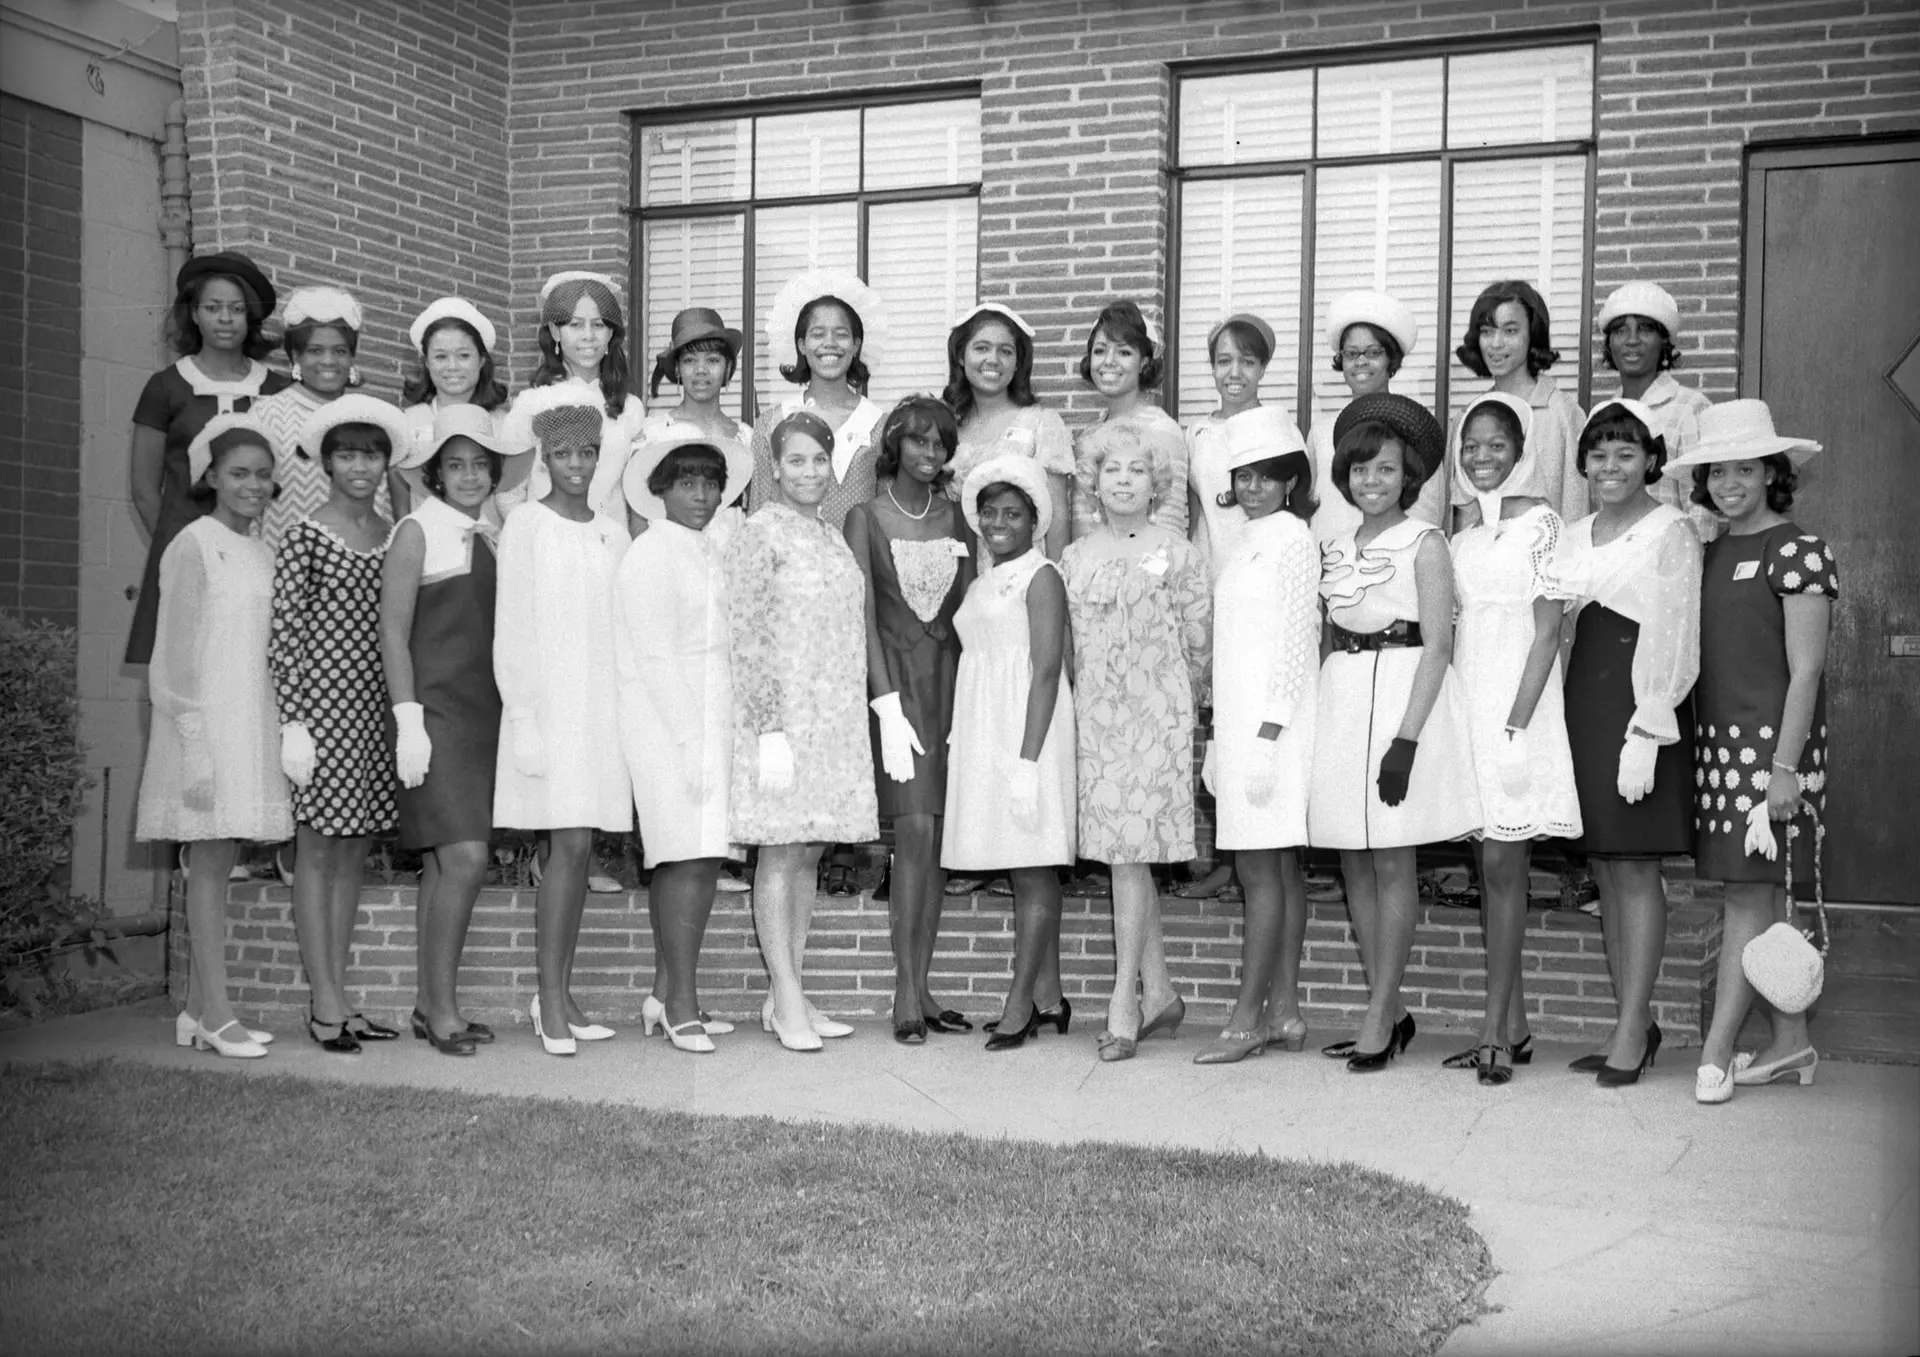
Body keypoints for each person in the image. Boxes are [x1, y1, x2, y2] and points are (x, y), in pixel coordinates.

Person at [1310, 394, 1481, 1072]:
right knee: (1353, 854)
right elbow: (1326, 636)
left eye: (1383, 470)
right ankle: (1393, 1003)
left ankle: (1379, 1011)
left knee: (1391, 857)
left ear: (1406, 475)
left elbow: (1439, 644)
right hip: (1345, 695)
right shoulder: (1333, 548)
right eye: (1359, 471)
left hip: (1403, 691)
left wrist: (1407, 739)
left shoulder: (1425, 541)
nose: (1370, 482)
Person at [1671, 401, 1833, 1104]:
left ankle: (1715, 1051)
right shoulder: (1708, 551)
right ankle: (1792, 1042)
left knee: (1745, 896)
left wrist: (1785, 770)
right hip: (1716, 755)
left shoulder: (1800, 550)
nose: (1730, 482)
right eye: (1718, 471)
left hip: (1775, 758)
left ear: (1773, 473)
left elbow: (1807, 670)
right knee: (1757, 899)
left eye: (1745, 468)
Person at [1545, 398, 1701, 1085]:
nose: (1610, 467)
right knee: (1605, 872)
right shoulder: (1572, 535)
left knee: (1635, 867)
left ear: (1650, 462)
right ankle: (1634, 1020)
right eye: (1599, 454)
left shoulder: (1672, 530)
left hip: (1640, 706)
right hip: (1583, 700)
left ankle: (1631, 1029)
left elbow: (1674, 630)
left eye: (1626, 454)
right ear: (1582, 464)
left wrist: (1649, 723)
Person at [1436, 393, 1582, 1086]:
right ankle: (1514, 1024)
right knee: (1487, 870)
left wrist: (1518, 724)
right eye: (1472, 444)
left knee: (1504, 866)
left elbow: (1551, 633)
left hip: (1518, 708)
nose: (1483, 456)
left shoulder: (1544, 526)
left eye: (1497, 443)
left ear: (1521, 448)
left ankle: (1493, 1030)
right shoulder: (1461, 534)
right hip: (1468, 701)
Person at [136, 414, 291, 1058]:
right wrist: (194, 740)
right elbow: (171, 656)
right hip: (202, 728)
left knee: (221, 862)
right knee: (207, 866)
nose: (252, 486)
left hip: (248, 723)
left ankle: (199, 1011)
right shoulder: (192, 544)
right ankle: (219, 1017)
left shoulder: (261, 551)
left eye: (262, 475)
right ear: (210, 478)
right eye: (238, 474)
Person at [727, 410, 879, 1051]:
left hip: (833, 721)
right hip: (783, 719)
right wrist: (768, 731)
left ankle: (788, 989)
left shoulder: (832, 537)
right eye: (796, 460)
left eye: (820, 459)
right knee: (781, 852)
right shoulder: (758, 535)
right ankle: (786, 995)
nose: (810, 471)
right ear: (774, 466)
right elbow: (750, 635)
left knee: (811, 851)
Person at [1062, 417, 1211, 1062]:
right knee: (1131, 856)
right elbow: (1067, 648)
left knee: (1130, 853)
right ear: (1093, 483)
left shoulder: (1181, 553)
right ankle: (1164, 994)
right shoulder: (1073, 557)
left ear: (1158, 484)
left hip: (1159, 719)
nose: (1123, 480)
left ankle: (1125, 1001)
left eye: (1137, 470)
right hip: (1097, 720)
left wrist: (1176, 706)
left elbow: (1199, 645)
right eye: (1111, 469)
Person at [492, 389, 634, 1056]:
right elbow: (513, 622)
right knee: (567, 844)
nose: (576, 463)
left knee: (577, 849)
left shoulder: (613, 531)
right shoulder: (526, 526)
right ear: (544, 458)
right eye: (562, 454)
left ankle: (563, 991)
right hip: (549, 708)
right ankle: (548, 996)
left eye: (587, 452)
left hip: (600, 709)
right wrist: (521, 713)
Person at [381, 404, 523, 1056]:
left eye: (479, 465)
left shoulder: (498, 532)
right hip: (433, 716)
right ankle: (442, 1011)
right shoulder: (416, 529)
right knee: (464, 857)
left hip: (484, 715)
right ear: (436, 472)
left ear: (495, 472)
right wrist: (407, 718)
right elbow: (391, 629)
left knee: (445, 864)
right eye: (455, 464)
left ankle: (429, 1003)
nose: (468, 476)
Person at [269, 395, 410, 1053]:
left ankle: (343, 993)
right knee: (317, 852)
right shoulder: (305, 533)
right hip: (322, 713)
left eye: (372, 453)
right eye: (348, 453)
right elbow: (284, 632)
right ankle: (322, 1000)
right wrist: (294, 721)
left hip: (374, 709)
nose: (361, 465)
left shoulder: (392, 534)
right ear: (327, 460)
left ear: (387, 462)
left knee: (353, 853)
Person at [612, 423, 753, 1054]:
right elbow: (655, 655)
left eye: (711, 483)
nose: (701, 494)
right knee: (684, 855)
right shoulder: (651, 553)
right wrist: (690, 739)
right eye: (688, 482)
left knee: (697, 852)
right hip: (669, 719)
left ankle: (664, 993)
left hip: (711, 709)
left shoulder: (705, 547)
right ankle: (681, 1007)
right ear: (661, 488)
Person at [844, 396, 973, 1042]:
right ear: (896, 445)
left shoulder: (959, 517)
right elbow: (862, 619)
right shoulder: (865, 518)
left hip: (951, 687)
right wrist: (886, 705)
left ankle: (923, 985)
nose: (929, 454)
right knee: (915, 830)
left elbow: (972, 613)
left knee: (940, 839)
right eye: (918, 442)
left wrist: (973, 703)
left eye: (939, 444)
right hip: (895, 689)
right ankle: (903, 990)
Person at [1192, 416, 1319, 1065]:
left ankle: (1246, 1020)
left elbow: (1297, 640)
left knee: (1261, 871)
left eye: (1267, 475)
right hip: (1242, 726)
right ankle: (1286, 1012)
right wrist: (1218, 731)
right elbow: (1229, 648)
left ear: (1292, 480)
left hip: (1276, 727)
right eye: (1243, 475)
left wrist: (1267, 735)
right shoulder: (1243, 540)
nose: (1253, 486)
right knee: (1276, 873)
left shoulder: (1295, 538)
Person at [943, 455, 1075, 1050]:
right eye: (990, 512)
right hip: (985, 728)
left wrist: (1028, 761)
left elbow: (1047, 670)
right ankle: (1051, 997)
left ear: (1033, 521)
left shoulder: (1041, 576)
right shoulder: (980, 579)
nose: (999, 522)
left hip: (1029, 728)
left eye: (1013, 513)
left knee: (1033, 861)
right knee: (1022, 862)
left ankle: (1020, 1003)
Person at [1178, 314, 1307, 905]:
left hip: (1268, 578)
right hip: (1219, 573)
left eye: (1248, 362)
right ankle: (1231, 854)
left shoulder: (1277, 428)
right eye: (1224, 361)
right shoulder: (1199, 433)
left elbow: (1299, 507)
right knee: (1219, 709)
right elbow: (1200, 512)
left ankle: (1256, 858)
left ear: (1264, 368)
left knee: (1256, 708)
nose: (1235, 373)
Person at [126, 250, 289, 666]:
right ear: (194, 314)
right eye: (213, 307)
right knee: (177, 670)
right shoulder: (166, 387)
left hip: (259, 548)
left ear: (250, 317)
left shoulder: (276, 390)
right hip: (184, 545)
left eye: (236, 309)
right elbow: (145, 489)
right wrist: (181, 547)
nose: (225, 318)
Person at [749, 268, 890, 533]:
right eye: (817, 334)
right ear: (801, 345)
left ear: (856, 344)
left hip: (857, 568)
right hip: (788, 566)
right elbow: (758, 513)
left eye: (841, 334)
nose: (830, 343)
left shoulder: (879, 426)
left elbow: (888, 518)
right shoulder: (772, 422)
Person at [1308, 290, 1446, 546]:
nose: (1361, 362)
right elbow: (1311, 508)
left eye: (1372, 352)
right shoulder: (1321, 433)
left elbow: (1429, 512)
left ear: (1390, 359)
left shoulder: (1415, 426)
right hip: (1332, 568)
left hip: (1393, 568)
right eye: (1351, 353)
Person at [256, 285, 389, 549]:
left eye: (340, 351)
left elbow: (384, 503)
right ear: (296, 356)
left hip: (356, 568)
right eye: (315, 350)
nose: (328, 361)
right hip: (281, 568)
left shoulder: (370, 416)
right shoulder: (265, 414)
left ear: (352, 357)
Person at [507, 270, 645, 522]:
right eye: (575, 324)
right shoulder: (531, 404)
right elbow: (509, 490)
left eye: (599, 325)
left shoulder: (630, 408)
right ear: (555, 332)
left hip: (610, 546)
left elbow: (636, 492)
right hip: (547, 545)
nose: (588, 336)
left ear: (611, 333)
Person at [942, 302, 1074, 560]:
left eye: (1005, 351)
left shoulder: (1041, 424)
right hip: (961, 576)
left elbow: (1058, 514)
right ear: (960, 355)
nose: (993, 359)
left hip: (1023, 580)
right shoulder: (944, 426)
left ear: (1018, 363)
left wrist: (1056, 584)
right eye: (981, 348)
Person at [1451, 280, 1586, 528]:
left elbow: (1576, 510)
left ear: (1532, 336)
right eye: (1486, 331)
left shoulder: (1562, 413)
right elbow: (1462, 516)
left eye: (1510, 331)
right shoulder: (1465, 418)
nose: (1496, 343)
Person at [1594, 281, 1717, 542]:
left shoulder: (1690, 408)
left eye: (1645, 329)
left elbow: (1702, 510)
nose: (1632, 340)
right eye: (1620, 331)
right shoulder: (1602, 414)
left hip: (1669, 566)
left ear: (1664, 341)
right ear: (1609, 343)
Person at [1070, 300, 1188, 542]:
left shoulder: (1161, 430)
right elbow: (1081, 520)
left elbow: (1168, 526)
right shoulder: (1088, 437)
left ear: (1144, 363)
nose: (1109, 361)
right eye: (1100, 351)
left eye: (1124, 352)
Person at [392, 297, 513, 519]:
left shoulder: (506, 426)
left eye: (464, 356)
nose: (452, 366)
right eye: (440, 357)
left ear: (482, 360)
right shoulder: (406, 423)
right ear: (426, 362)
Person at [640, 306, 751, 546]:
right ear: (678, 368)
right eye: (690, 360)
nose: (701, 370)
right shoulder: (654, 435)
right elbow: (639, 519)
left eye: (712, 360)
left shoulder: (746, 439)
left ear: (728, 368)